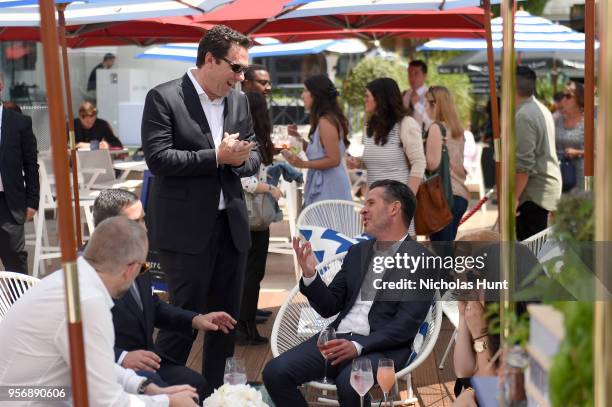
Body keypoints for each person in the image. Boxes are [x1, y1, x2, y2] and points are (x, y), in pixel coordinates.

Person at [141, 25, 261, 394]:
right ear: (209, 59)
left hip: (232, 228)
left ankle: (215, 396)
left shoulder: (239, 101)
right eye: (236, 68)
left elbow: (255, 156)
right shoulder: (164, 97)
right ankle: (159, 394)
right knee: (184, 321)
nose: (241, 78)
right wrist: (216, 157)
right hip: (185, 232)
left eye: (243, 70)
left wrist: (240, 160)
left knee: (225, 323)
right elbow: (159, 159)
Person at [263, 179, 434, 406]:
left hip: (383, 347)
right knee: (275, 372)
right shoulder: (357, 251)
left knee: (350, 382)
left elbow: (405, 325)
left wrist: (358, 346)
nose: (363, 210)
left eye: (371, 203)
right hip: (337, 339)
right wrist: (311, 275)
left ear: (394, 208)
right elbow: (329, 306)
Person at [0, 216, 199, 407]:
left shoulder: (73, 278)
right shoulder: (88, 302)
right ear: (130, 269)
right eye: (142, 268)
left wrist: (145, 388)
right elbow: (107, 402)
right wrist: (167, 402)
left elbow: (94, 363)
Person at [91, 189, 236, 401]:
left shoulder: (135, 258)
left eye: (143, 219)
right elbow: (75, 345)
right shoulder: (88, 272)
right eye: (135, 222)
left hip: (148, 359)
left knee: (198, 385)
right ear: (108, 230)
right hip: (108, 370)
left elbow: (152, 306)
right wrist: (122, 357)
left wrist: (196, 319)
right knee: (172, 396)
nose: (145, 228)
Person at [237, 92, 284, 345]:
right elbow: (245, 179)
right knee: (251, 272)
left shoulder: (245, 135)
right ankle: (244, 326)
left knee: (250, 272)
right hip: (252, 217)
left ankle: (245, 322)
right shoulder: (252, 140)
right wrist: (270, 189)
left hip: (247, 217)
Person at [346, 77, 425, 194]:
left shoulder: (406, 124)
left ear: (380, 98)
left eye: (367, 96)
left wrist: (408, 200)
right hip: (374, 202)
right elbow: (378, 162)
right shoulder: (369, 126)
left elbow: (418, 163)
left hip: (397, 203)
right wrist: (359, 162)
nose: (364, 100)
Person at [282, 74, 352, 206]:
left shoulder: (326, 121)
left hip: (330, 186)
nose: (302, 95)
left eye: (305, 91)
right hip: (324, 182)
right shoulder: (323, 120)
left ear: (316, 94)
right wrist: (298, 138)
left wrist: (303, 164)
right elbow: (319, 151)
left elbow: (334, 159)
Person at [515, 66, 562, 241]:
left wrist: (513, 198)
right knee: (544, 255)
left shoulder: (524, 115)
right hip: (544, 190)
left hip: (533, 195)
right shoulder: (541, 109)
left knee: (533, 259)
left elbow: (523, 166)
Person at [0, 73, 39, 274]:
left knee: (15, 259)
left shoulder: (20, 122)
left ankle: (19, 302)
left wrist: (33, 201)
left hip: (10, 202)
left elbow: (31, 164)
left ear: (0, 85)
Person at [423, 86, 469, 242]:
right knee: (446, 250)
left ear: (435, 105)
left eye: (426, 103)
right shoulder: (457, 130)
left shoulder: (436, 128)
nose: (424, 108)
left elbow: (431, 164)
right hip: (460, 195)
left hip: (443, 197)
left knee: (440, 256)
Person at [555, 81, 585, 193]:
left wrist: (578, 152)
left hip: (581, 177)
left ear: (579, 99)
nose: (563, 100)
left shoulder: (590, 122)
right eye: (562, 96)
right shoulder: (557, 119)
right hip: (559, 173)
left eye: (568, 96)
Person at [402, 60, 430, 129]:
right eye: (409, 74)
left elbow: (432, 120)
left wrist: (416, 104)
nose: (412, 78)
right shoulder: (405, 95)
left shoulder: (431, 95)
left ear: (425, 76)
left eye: (416, 74)